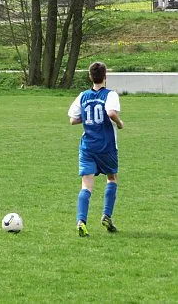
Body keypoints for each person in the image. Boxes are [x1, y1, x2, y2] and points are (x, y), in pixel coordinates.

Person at [68, 62, 124, 237]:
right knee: (112, 178)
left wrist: (86, 118)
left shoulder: (83, 96)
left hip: (88, 146)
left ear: (90, 77)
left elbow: (72, 119)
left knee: (86, 185)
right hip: (106, 146)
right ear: (105, 76)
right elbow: (110, 112)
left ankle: (81, 221)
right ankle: (107, 215)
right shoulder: (110, 94)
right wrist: (119, 123)